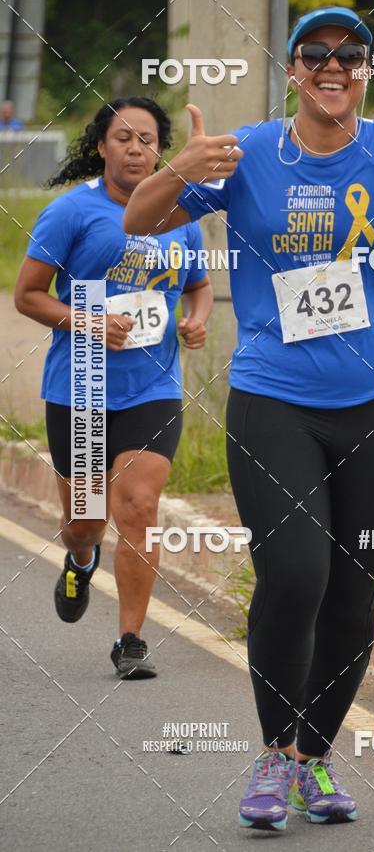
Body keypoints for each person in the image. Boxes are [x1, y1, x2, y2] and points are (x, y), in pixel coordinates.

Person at [124, 7, 374, 827]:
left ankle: (314, 761)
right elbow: (138, 223)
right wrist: (178, 169)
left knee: (353, 598)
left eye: (350, 55)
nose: (332, 67)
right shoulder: (248, 154)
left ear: (367, 70)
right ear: (295, 69)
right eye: (316, 54)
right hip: (275, 399)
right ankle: (273, 757)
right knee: (297, 576)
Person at [14, 97, 213, 679]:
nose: (135, 147)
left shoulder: (182, 215)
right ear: (101, 146)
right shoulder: (71, 212)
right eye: (122, 137)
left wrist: (197, 318)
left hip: (153, 385)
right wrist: (88, 321)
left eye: (147, 139)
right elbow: (29, 294)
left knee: (140, 506)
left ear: (160, 149)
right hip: (81, 384)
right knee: (85, 519)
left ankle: (130, 640)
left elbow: (198, 285)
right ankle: (80, 558)